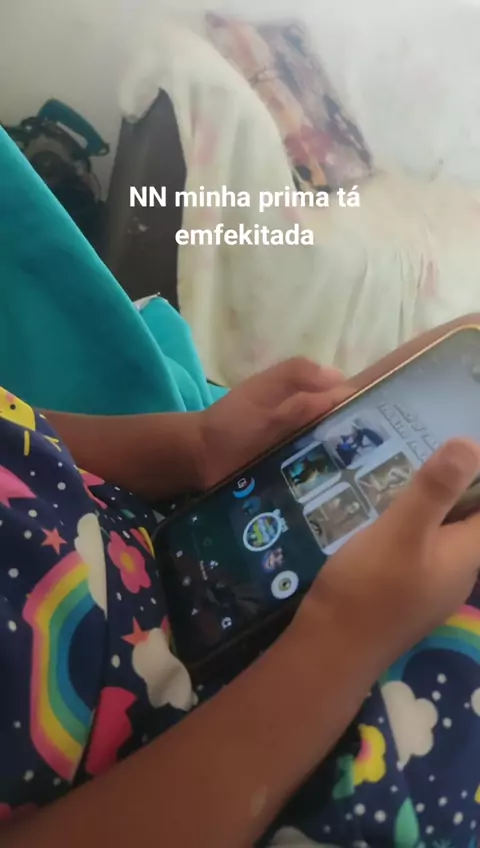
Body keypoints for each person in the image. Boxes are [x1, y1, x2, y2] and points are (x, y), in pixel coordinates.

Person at [1, 360, 480, 848]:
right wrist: (340, 643)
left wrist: (191, 448)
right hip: (229, 758)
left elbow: (22, 436)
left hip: (189, 527)